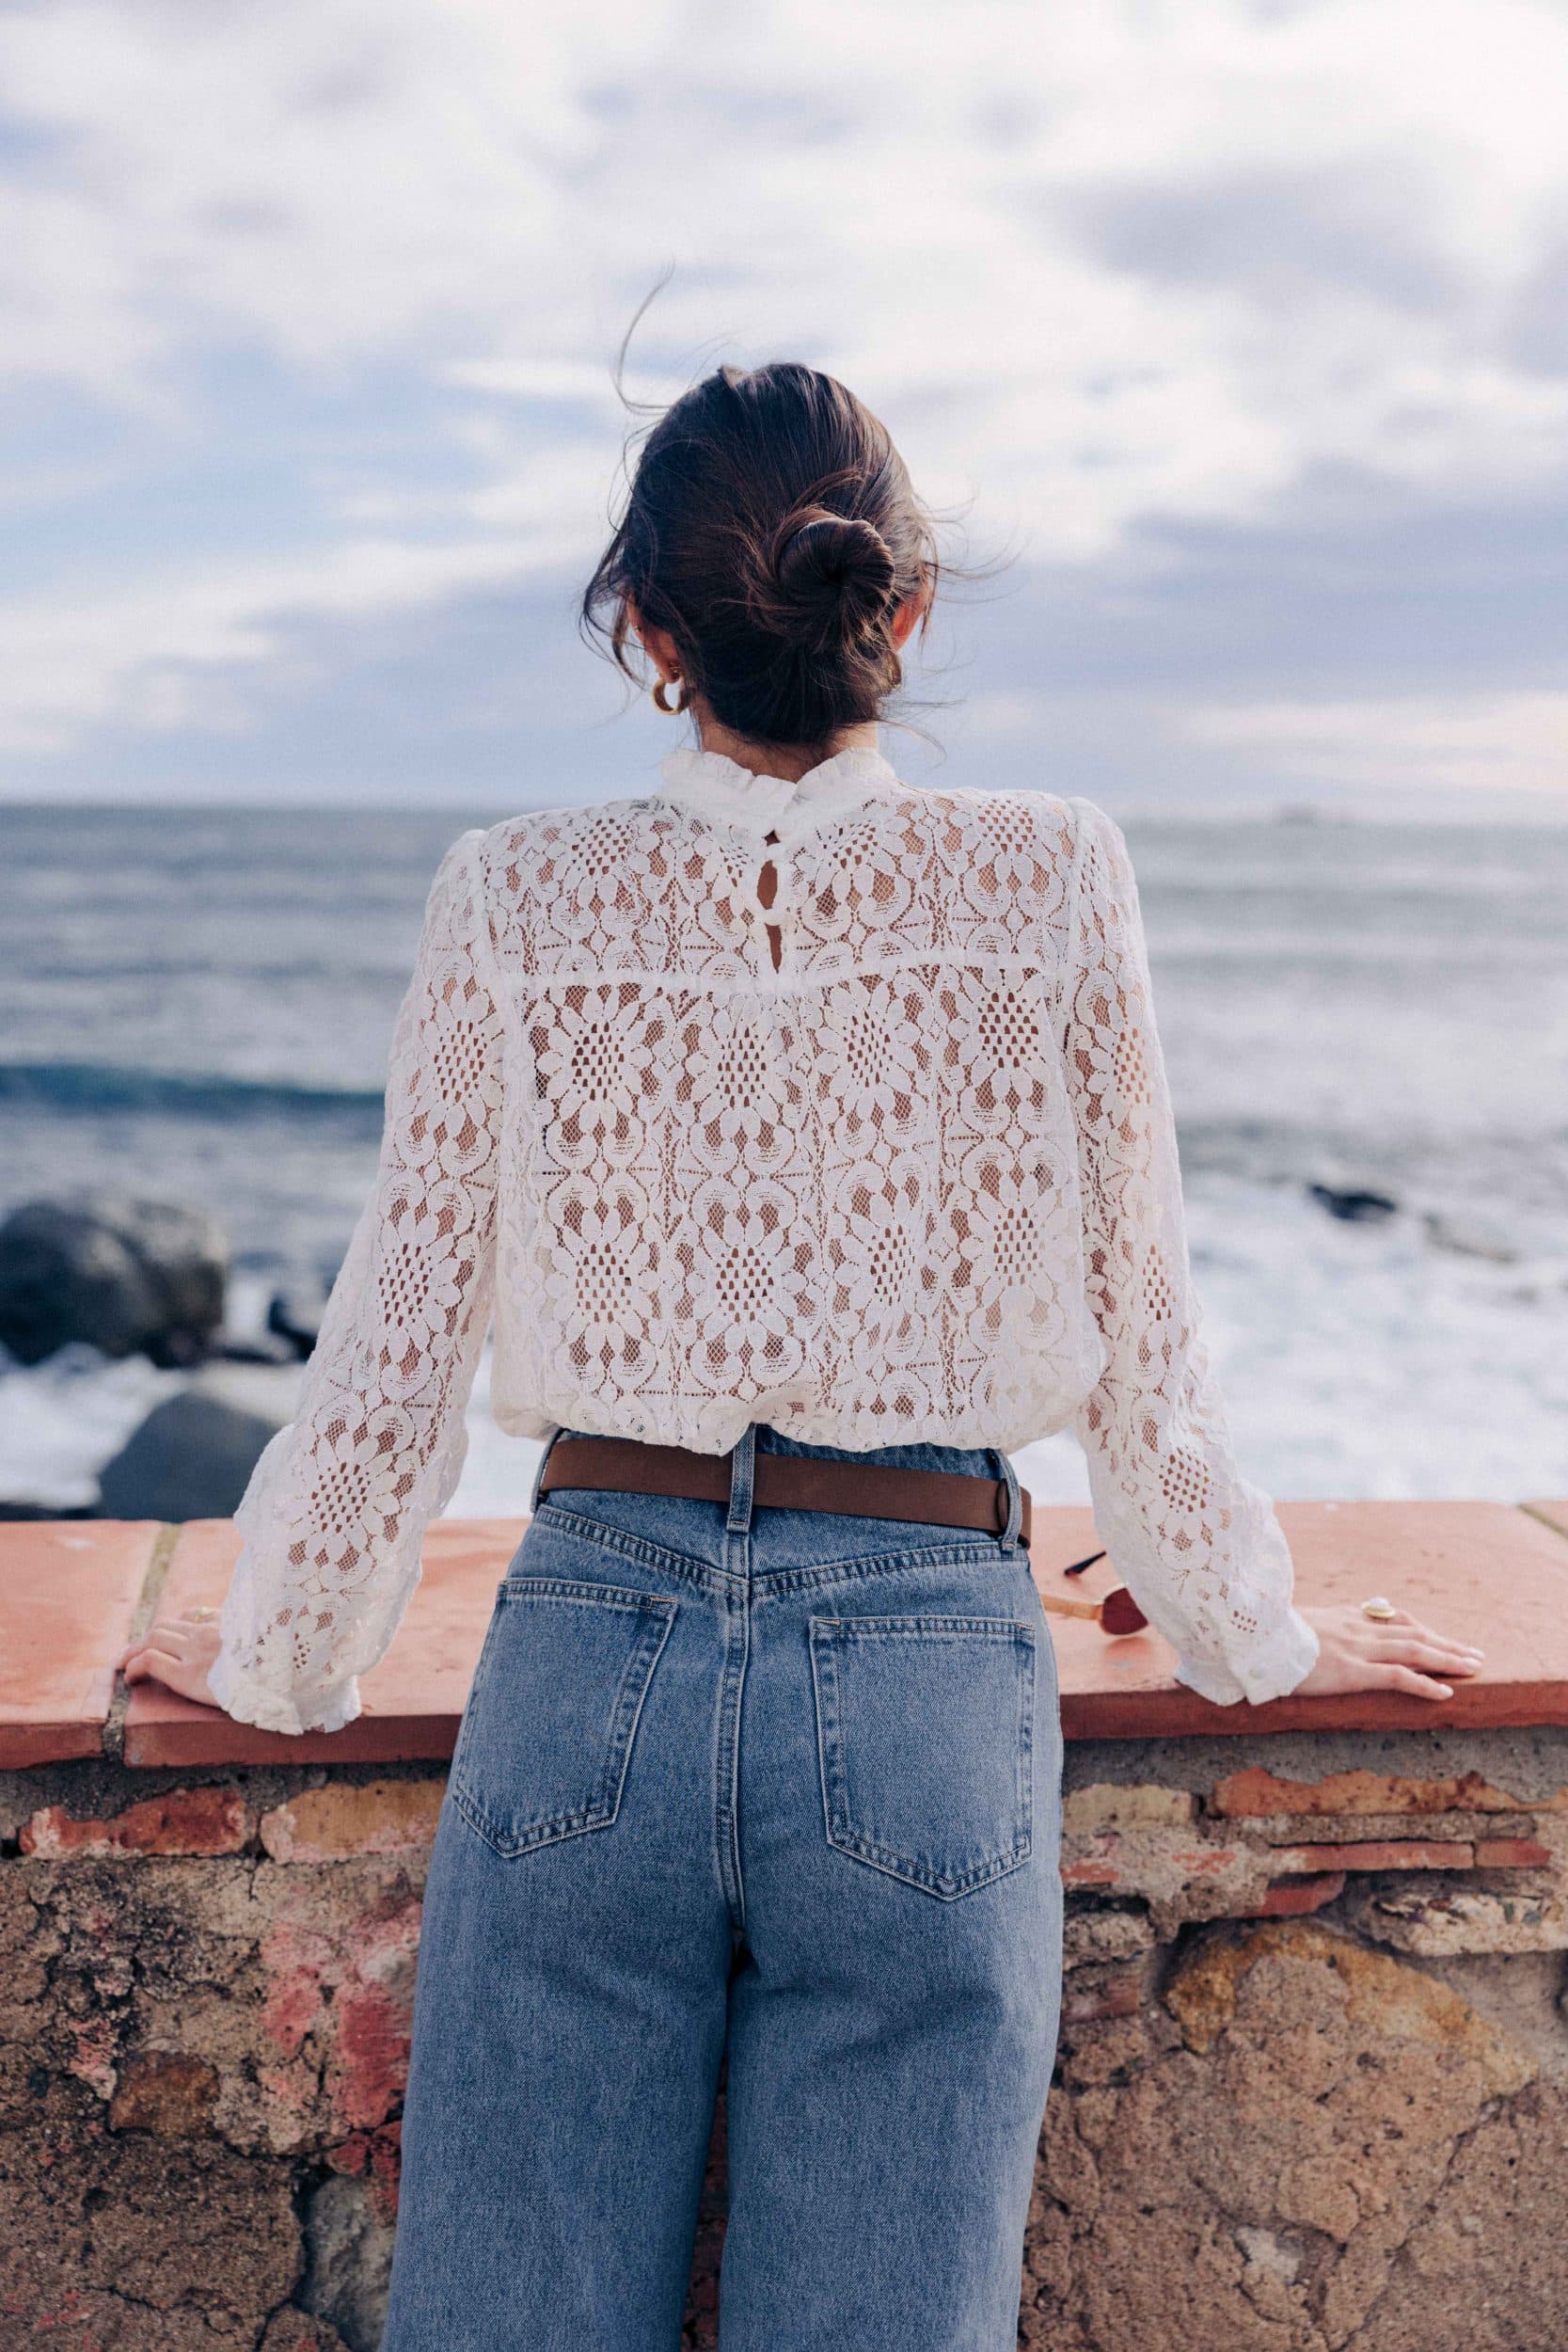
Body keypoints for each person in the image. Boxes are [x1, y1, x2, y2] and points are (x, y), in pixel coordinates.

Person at [121, 359, 1483, 2350]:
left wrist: (274, 1646)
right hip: (929, 1648)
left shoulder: (510, 892)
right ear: (903, 610)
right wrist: (1254, 1633)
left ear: (647, 632)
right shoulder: (1052, 871)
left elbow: (391, 1343)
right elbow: (1144, 1332)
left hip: (594, 1638)